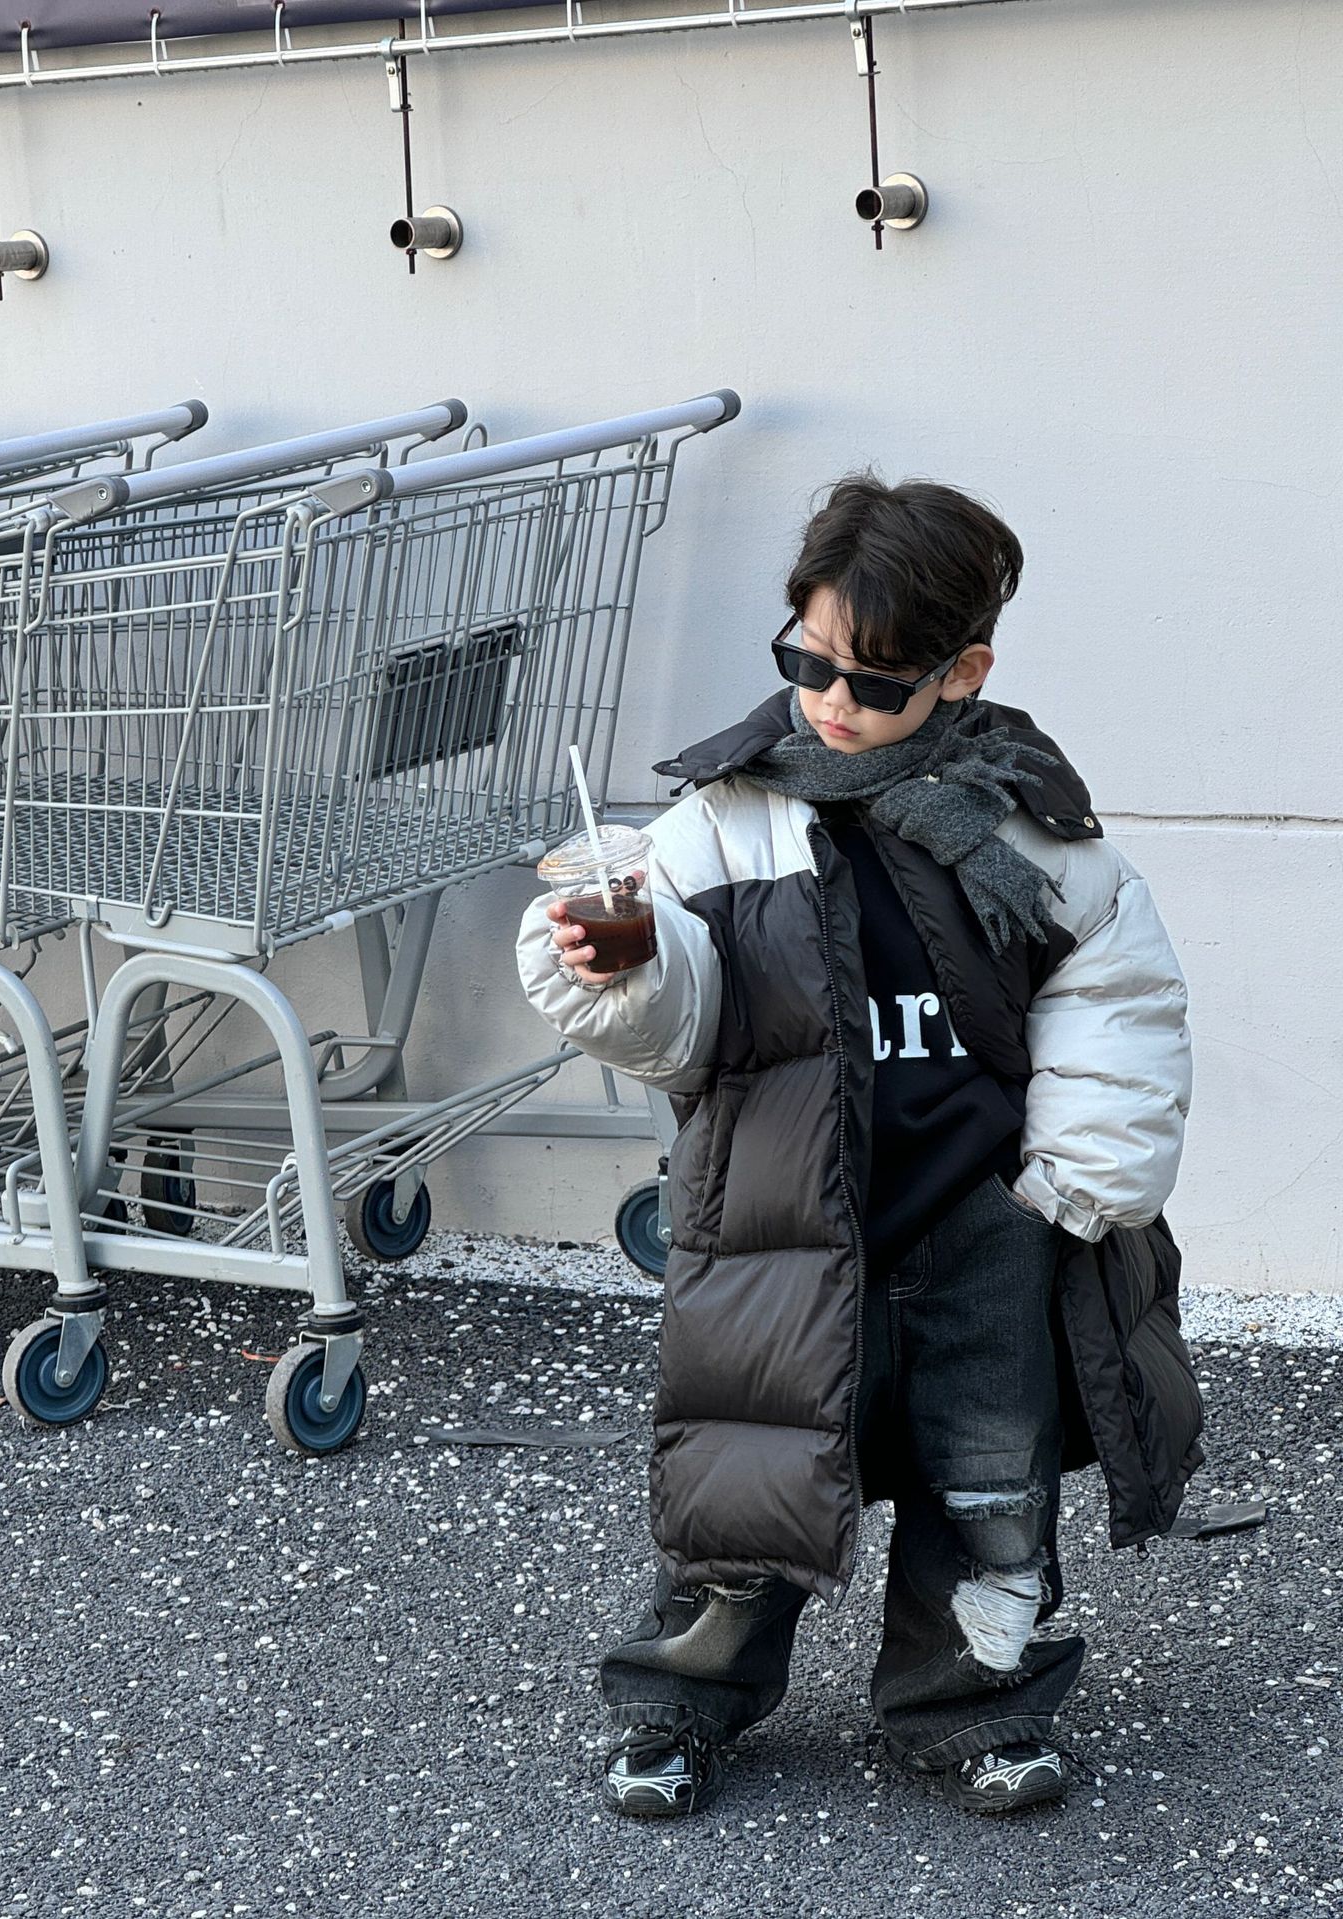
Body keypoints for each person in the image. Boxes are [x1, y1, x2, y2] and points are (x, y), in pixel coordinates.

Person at [514, 471, 1202, 1819]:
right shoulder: (723, 816)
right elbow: (680, 1028)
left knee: (990, 1489)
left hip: (979, 1218)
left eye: (879, 683)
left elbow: (1116, 991)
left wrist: (1063, 1193)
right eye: (806, 661)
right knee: (742, 1487)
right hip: (778, 1211)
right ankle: (677, 1704)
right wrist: (614, 965)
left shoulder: (1021, 819)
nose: (834, 701)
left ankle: (975, 1701)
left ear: (963, 672)